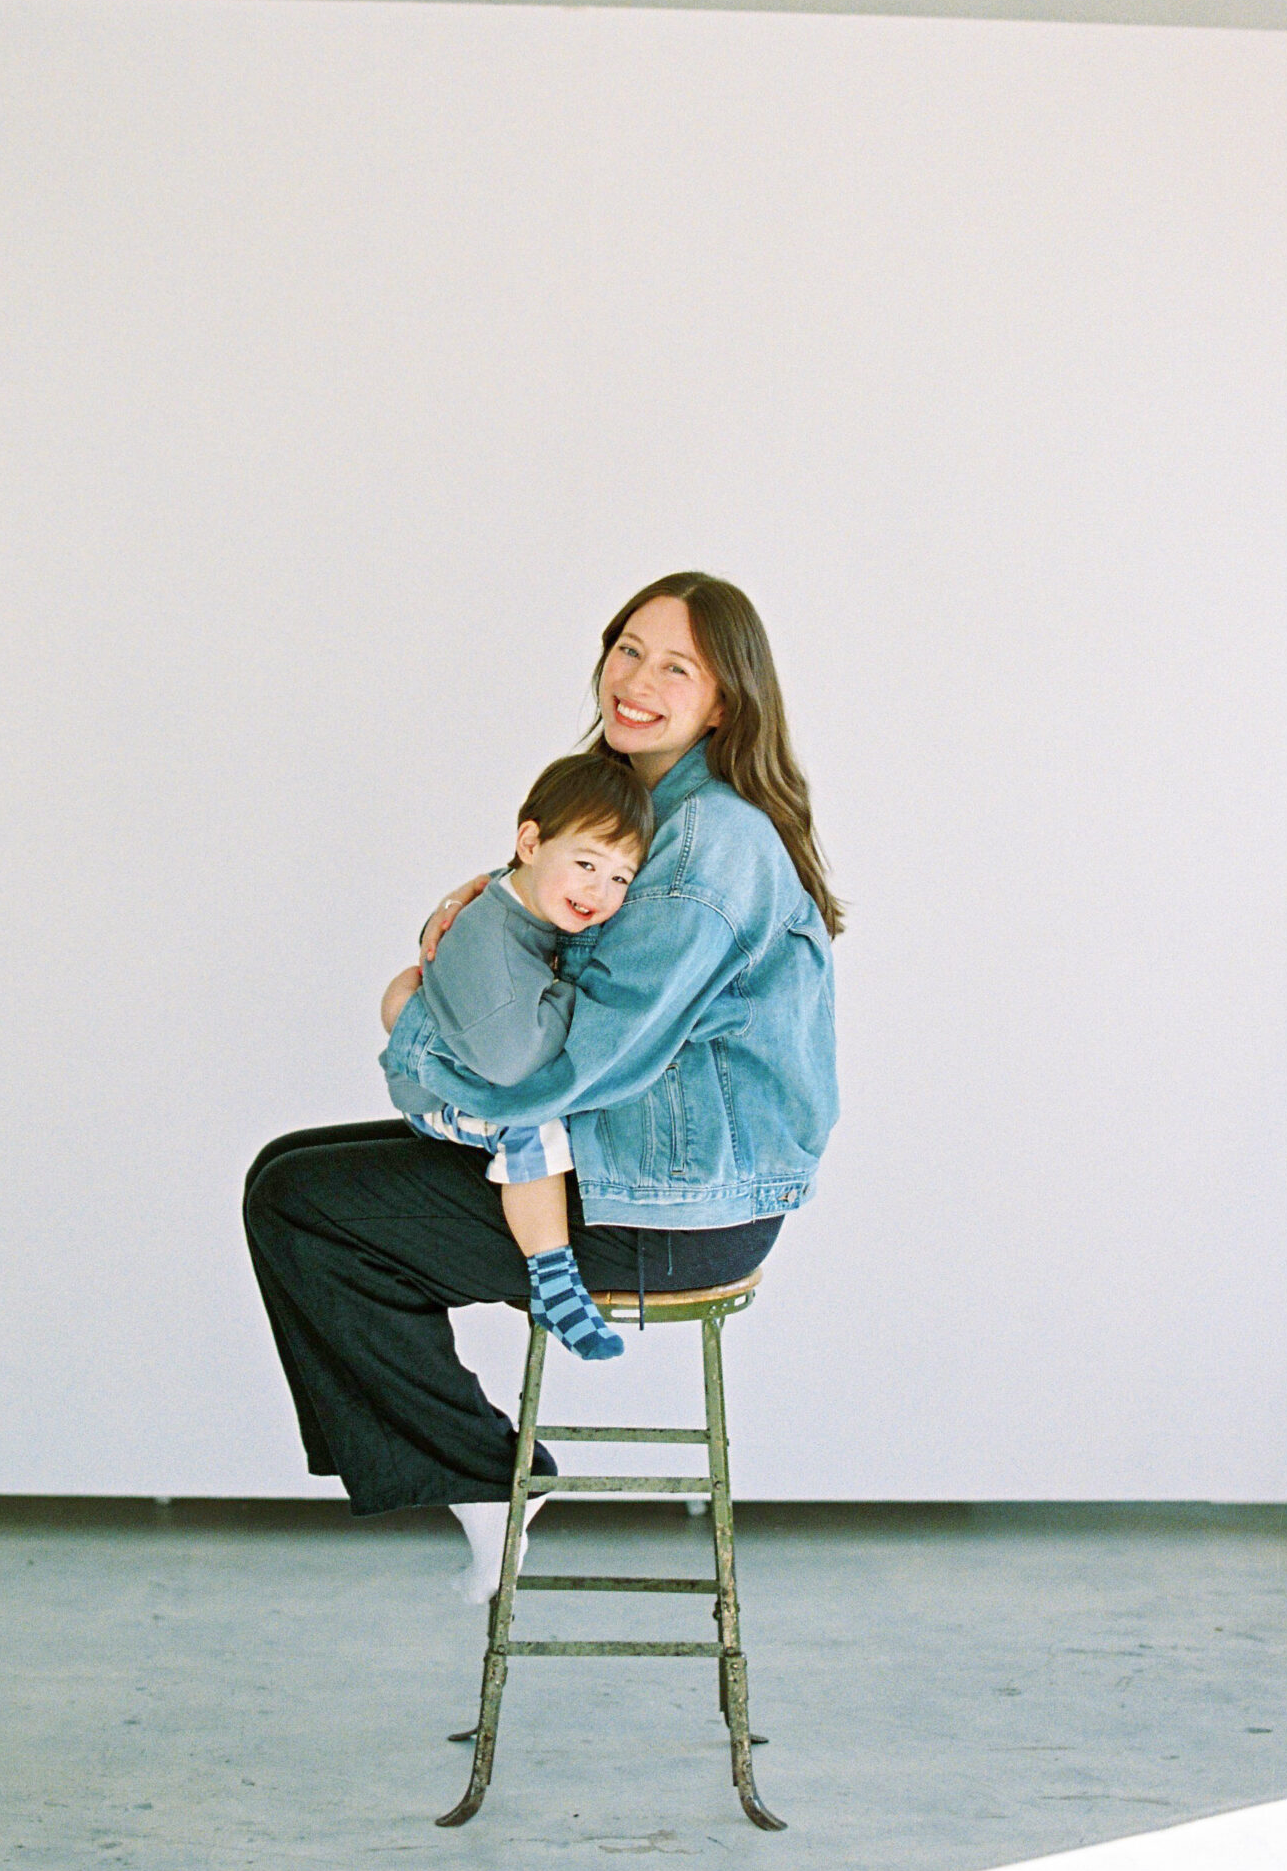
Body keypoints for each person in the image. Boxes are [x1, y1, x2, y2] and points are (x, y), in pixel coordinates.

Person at [243, 572, 841, 1604]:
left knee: (305, 1209)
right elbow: (525, 922)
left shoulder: (707, 843)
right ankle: (473, 1469)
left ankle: (486, 1479)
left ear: (725, 701)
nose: (636, 680)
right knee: (286, 1173)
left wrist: (418, 1033)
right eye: (626, 648)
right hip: (636, 1164)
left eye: (676, 666)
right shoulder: (640, 807)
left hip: (671, 1208)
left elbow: (553, 1060)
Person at [379, 751, 655, 1366]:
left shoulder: (523, 901)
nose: (599, 891)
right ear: (530, 842)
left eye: (620, 878)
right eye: (586, 864)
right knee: (531, 1125)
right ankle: (554, 1283)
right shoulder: (493, 941)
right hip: (441, 1095)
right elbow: (513, 1066)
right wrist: (576, 988)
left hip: (466, 1063)